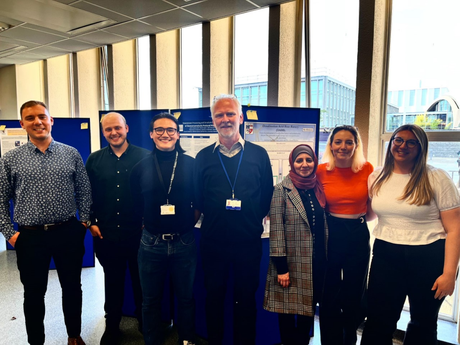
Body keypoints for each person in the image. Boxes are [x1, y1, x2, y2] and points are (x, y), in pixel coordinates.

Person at [0, 100, 91, 345]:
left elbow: (84, 190)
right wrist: (10, 234)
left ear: (51, 120)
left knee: (72, 288)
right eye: (30, 118)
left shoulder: (70, 153)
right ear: (22, 124)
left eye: (42, 116)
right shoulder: (10, 159)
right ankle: (36, 342)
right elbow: (0, 199)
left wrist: (83, 222)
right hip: (30, 238)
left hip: (67, 232)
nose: (37, 122)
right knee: (33, 294)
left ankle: (74, 335)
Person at [361, 124, 460, 345]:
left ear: (420, 147)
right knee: (378, 319)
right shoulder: (376, 176)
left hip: (429, 257)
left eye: (411, 142)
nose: (403, 146)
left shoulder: (437, 178)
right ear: (391, 143)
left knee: (423, 323)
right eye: (398, 140)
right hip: (386, 253)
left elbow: (455, 229)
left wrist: (449, 274)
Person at [193, 94, 273, 345]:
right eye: (219, 115)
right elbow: (198, 198)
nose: (225, 119)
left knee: (246, 298)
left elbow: (266, 196)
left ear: (240, 117)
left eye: (230, 114)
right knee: (213, 297)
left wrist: (246, 220)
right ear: (213, 120)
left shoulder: (259, 155)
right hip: (213, 242)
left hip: (247, 243)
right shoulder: (203, 157)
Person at [131, 113, 198, 345]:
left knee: (186, 298)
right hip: (151, 244)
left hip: (184, 241)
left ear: (178, 135)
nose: (165, 134)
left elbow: (199, 203)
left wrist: (186, 224)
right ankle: (152, 340)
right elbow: (136, 205)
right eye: (159, 130)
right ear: (151, 135)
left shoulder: (192, 165)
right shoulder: (140, 167)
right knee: (150, 300)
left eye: (171, 130)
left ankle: (187, 339)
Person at [85, 112, 149, 343]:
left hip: (140, 234)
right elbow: (86, 194)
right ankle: (112, 326)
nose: (113, 133)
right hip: (107, 235)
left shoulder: (145, 157)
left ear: (127, 128)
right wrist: (90, 222)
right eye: (108, 129)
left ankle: (145, 324)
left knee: (141, 282)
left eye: (117, 128)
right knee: (112, 282)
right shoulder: (94, 160)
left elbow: (154, 193)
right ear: (103, 132)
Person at [264, 144, 327, 345]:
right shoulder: (281, 190)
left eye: (308, 160)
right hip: (290, 264)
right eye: (299, 160)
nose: (304, 164)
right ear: (292, 163)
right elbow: (277, 231)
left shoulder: (318, 188)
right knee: (287, 311)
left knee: (308, 309)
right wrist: (281, 268)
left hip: (316, 263)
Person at [316, 125, 374, 345]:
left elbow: (372, 208)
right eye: (338, 142)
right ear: (330, 145)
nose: (343, 146)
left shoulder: (367, 169)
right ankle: (329, 340)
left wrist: (355, 219)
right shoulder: (321, 171)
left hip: (358, 232)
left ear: (356, 145)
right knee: (329, 289)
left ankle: (349, 337)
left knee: (355, 289)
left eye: (349, 142)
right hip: (330, 231)